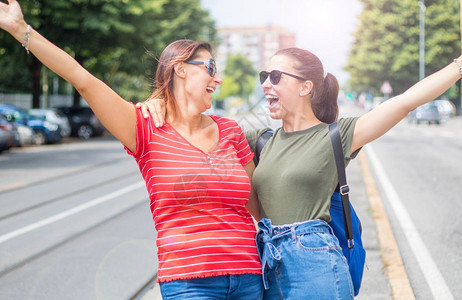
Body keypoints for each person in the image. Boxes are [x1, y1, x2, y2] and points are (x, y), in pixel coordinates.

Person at [142, 45, 462, 298]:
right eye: (264, 75)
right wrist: (157, 103)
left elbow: (405, 102)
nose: (266, 83)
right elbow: (195, 128)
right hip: (267, 266)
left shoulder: (336, 135)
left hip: (315, 264)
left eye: (277, 76)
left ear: (305, 87)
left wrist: (457, 67)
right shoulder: (255, 139)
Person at [0, 1, 264, 299]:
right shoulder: (144, 126)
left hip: (249, 276)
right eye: (211, 68)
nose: (218, 79)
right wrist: (21, 29)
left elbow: (259, 206)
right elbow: (81, 78)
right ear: (180, 69)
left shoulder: (231, 130)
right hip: (190, 283)